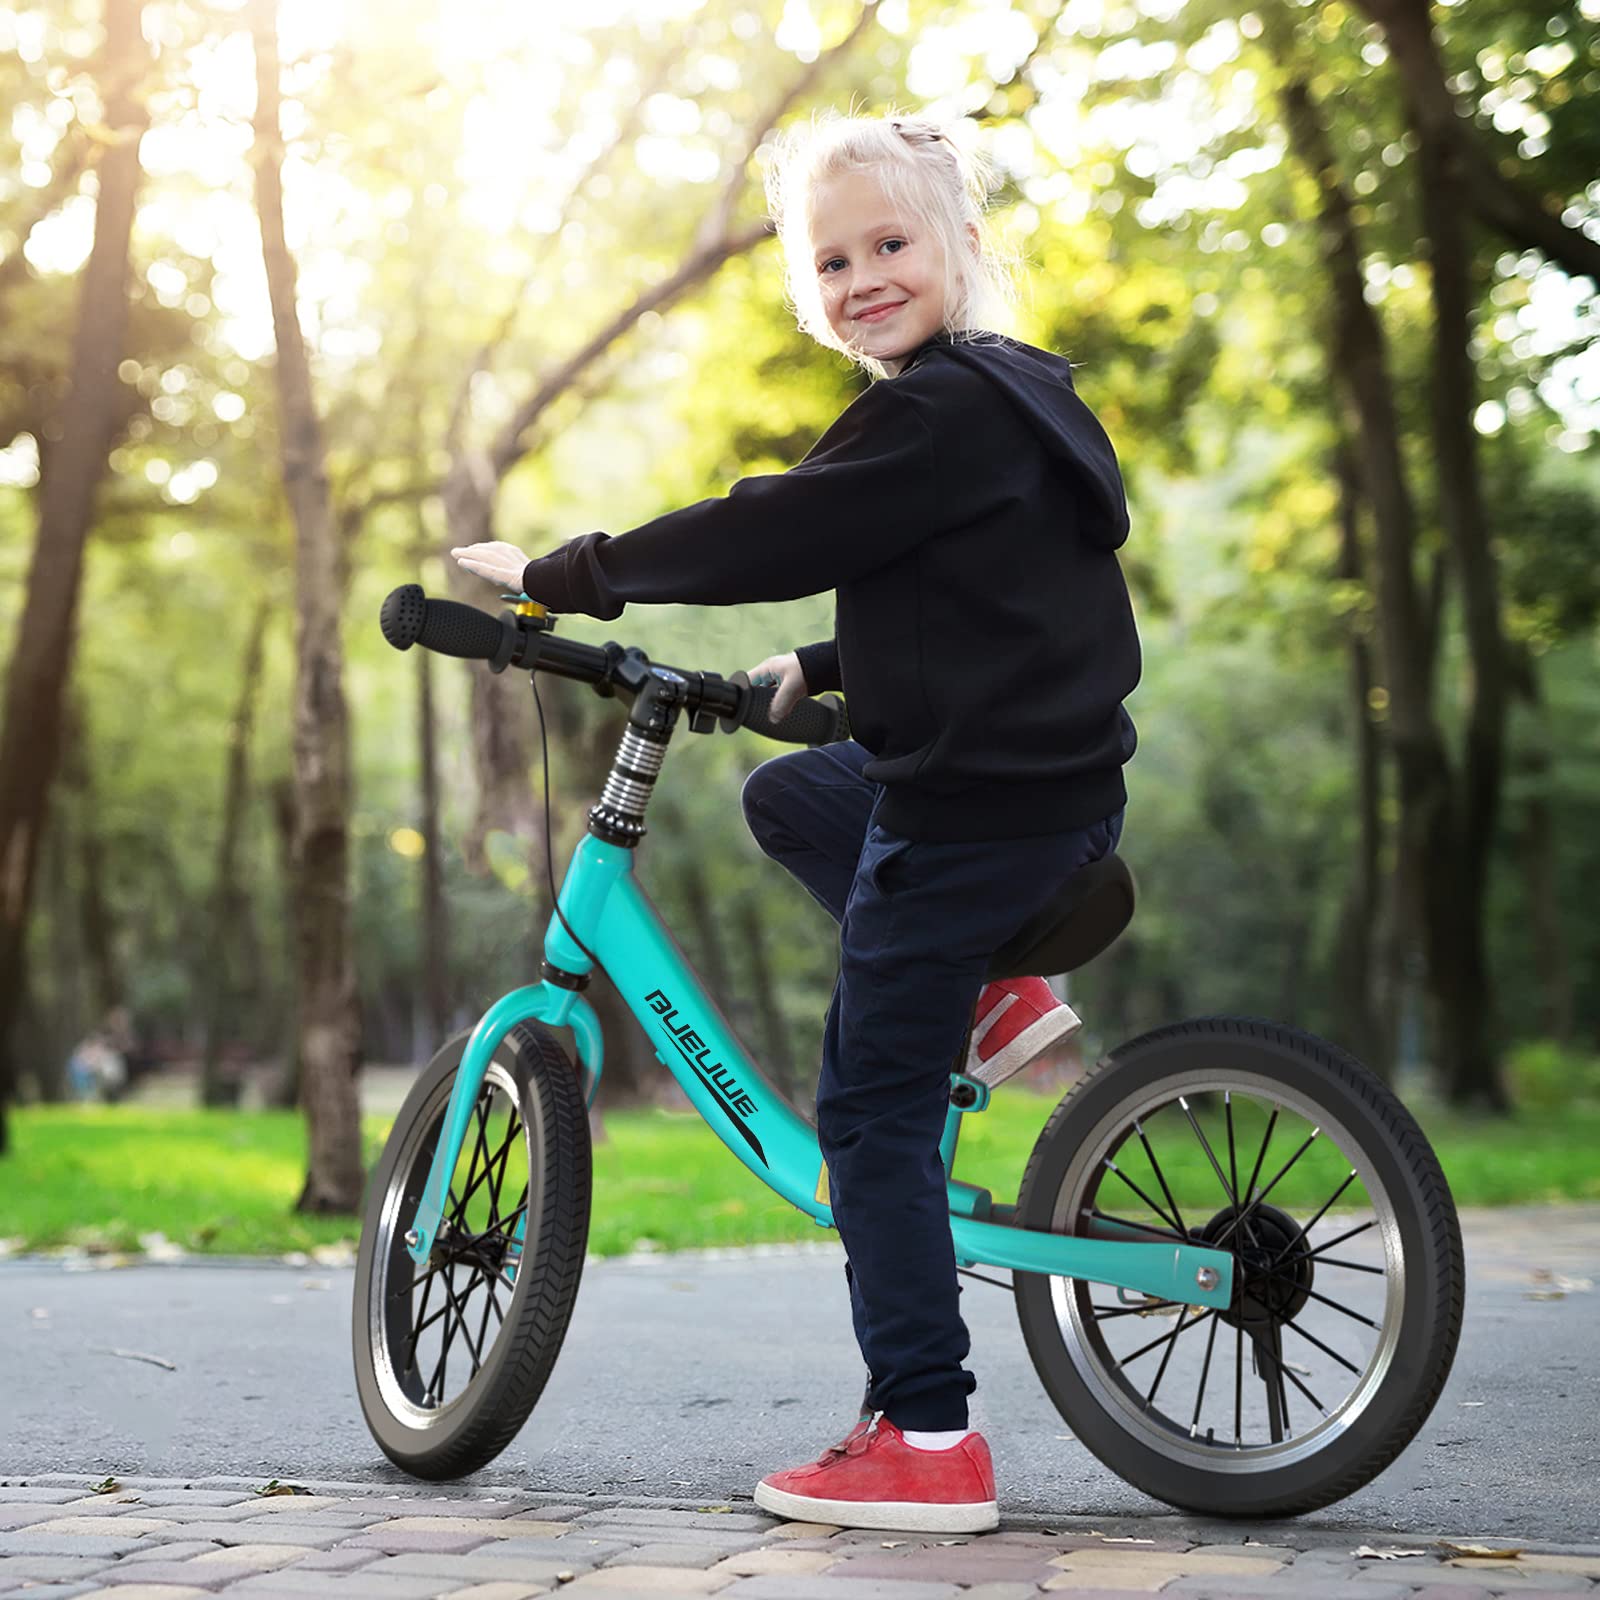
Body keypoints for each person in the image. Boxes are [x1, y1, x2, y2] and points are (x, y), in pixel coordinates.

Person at [451, 108, 1140, 1534]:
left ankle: (928, 1437)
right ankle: (1000, 994)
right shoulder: (1014, 401)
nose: (862, 277)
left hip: (966, 823)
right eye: (832, 261)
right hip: (1050, 803)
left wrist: (570, 573)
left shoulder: (929, 410)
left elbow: (776, 526)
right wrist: (818, 672)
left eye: (890, 244)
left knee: (869, 1119)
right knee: (794, 788)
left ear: (956, 246)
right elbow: (990, 594)